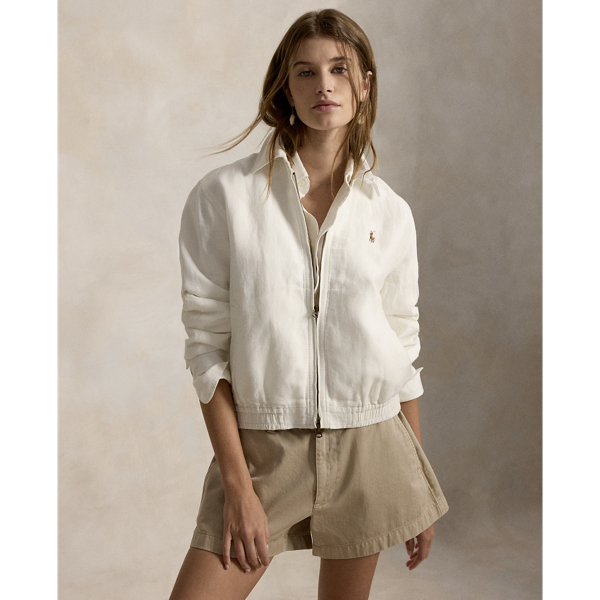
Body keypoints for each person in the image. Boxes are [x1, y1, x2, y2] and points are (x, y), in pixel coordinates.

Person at [170, 9, 449, 600]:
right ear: (286, 89)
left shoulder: (389, 212)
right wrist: (238, 487)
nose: (325, 84)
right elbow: (207, 352)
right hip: (264, 450)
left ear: (364, 85)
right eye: (306, 72)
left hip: (370, 447)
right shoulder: (223, 198)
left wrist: (416, 483)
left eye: (340, 69)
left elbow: (401, 346)